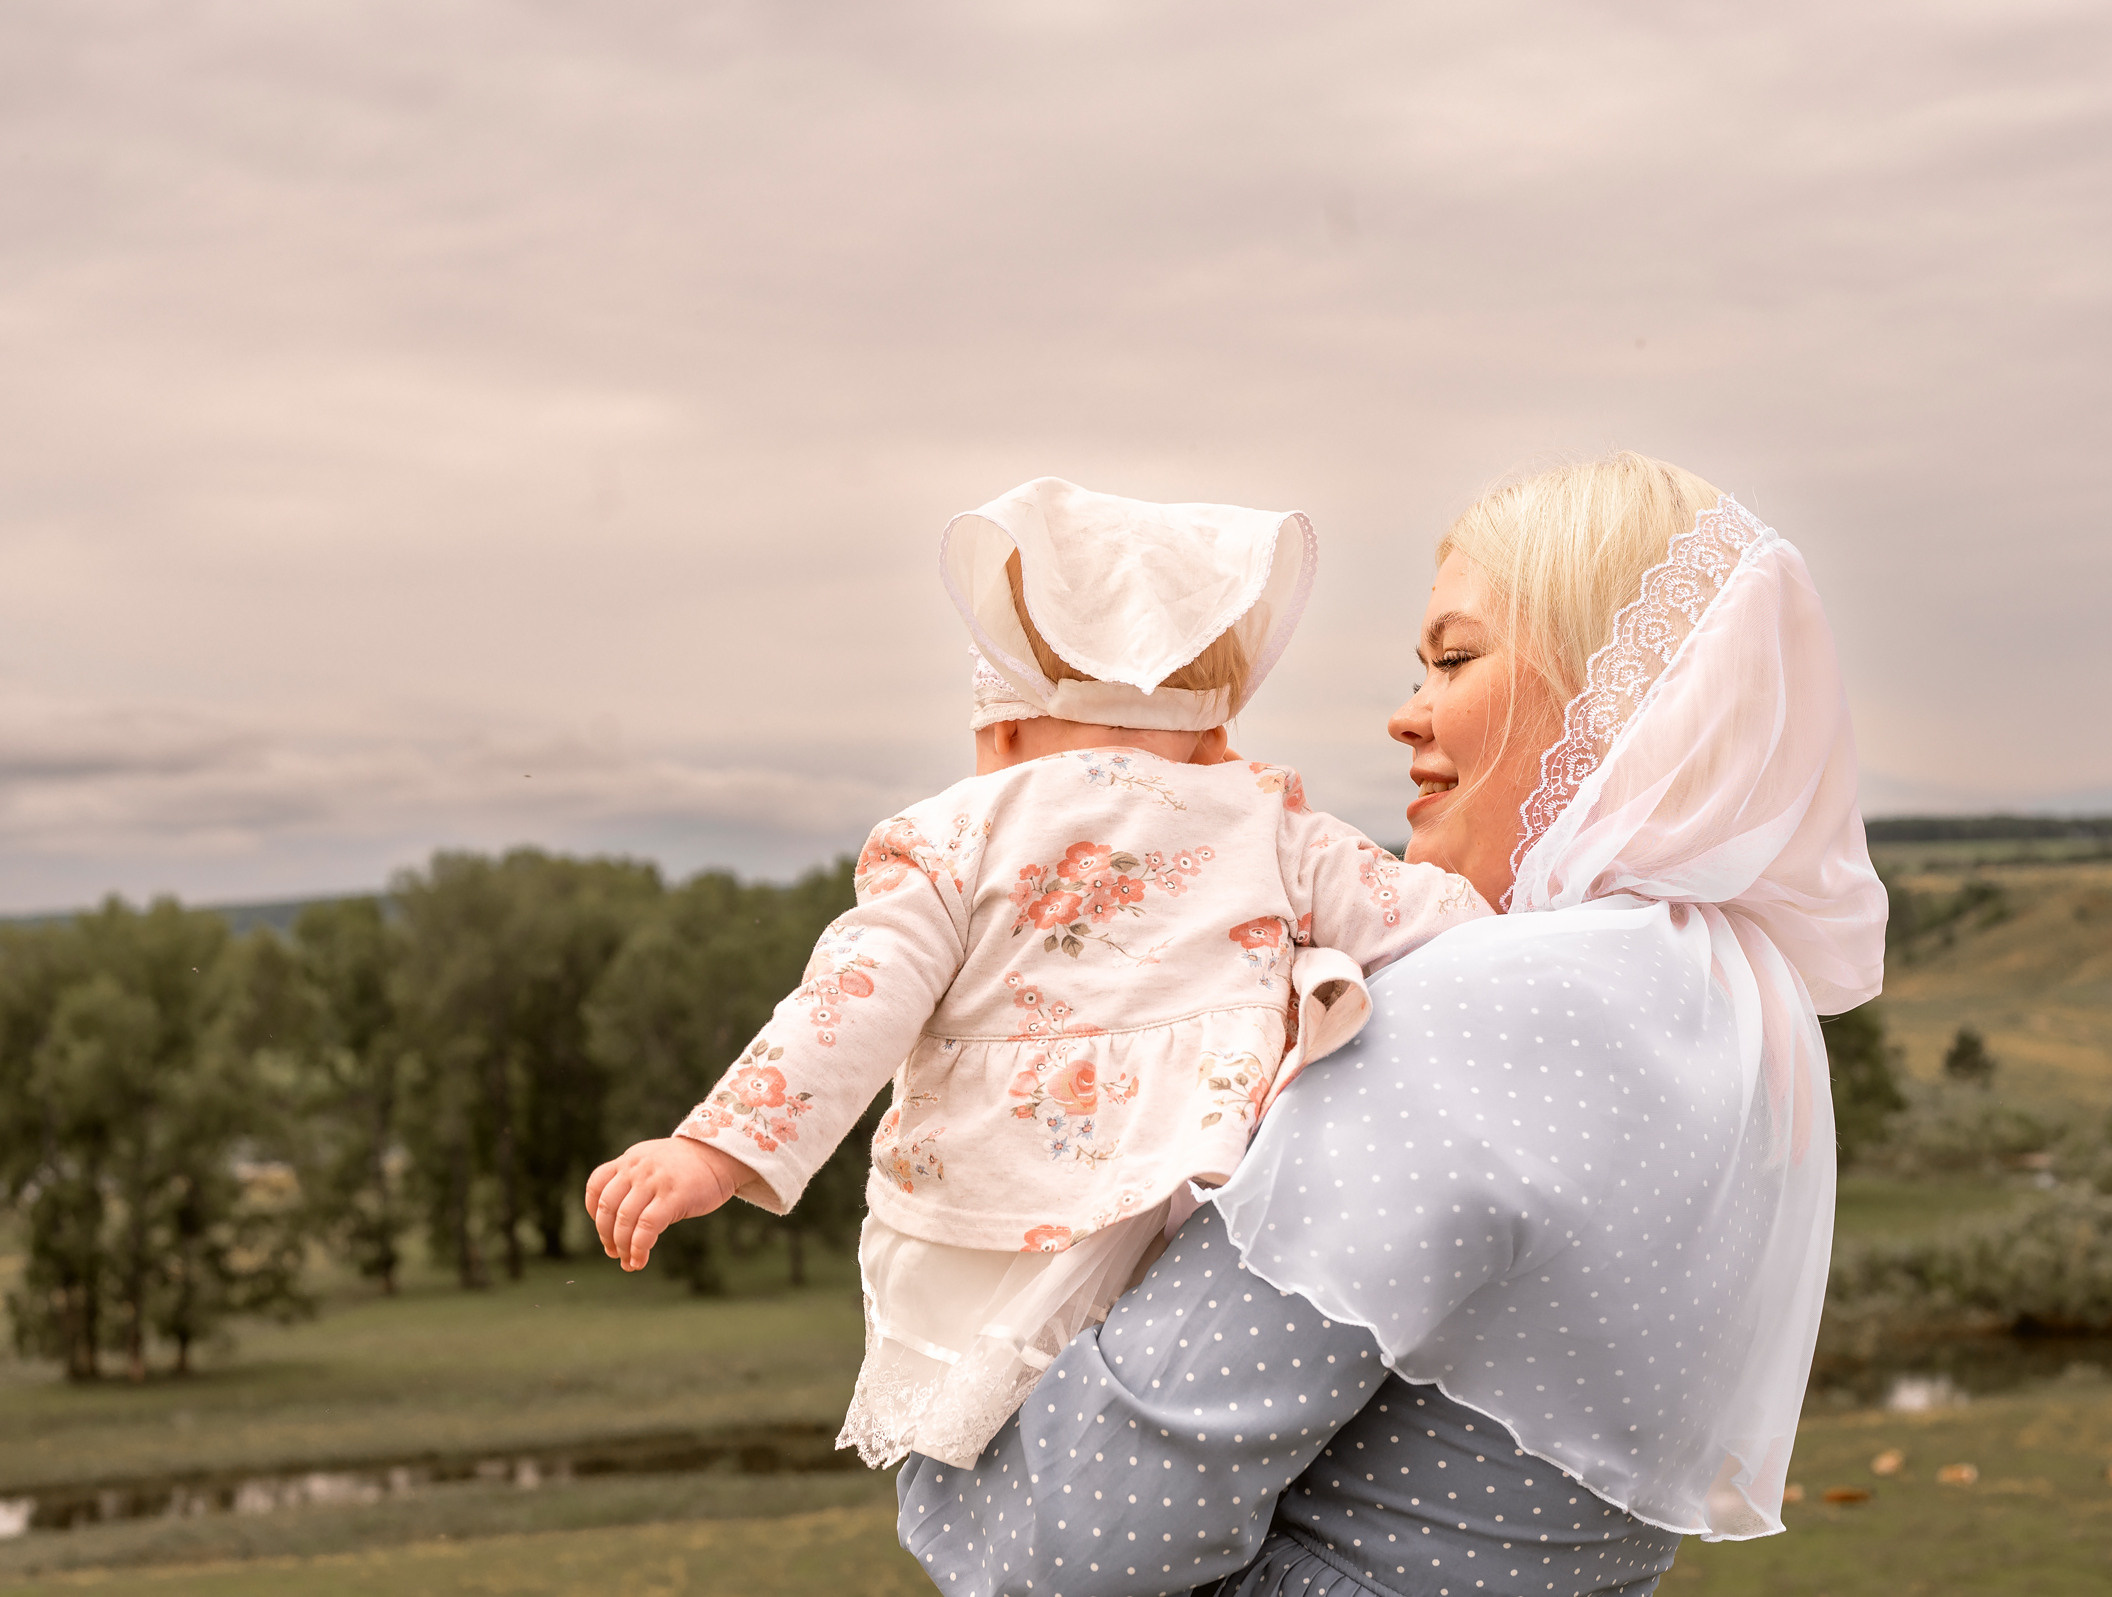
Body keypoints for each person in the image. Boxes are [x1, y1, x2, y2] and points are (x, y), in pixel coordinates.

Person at [898, 452, 1888, 1595]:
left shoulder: (1490, 1008)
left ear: (1625, 697)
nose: (1405, 713)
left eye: (1456, 658)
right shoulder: (1733, 1012)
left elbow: (1085, 1527)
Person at [587, 477, 1490, 1471]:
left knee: (1011, 1470)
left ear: (1002, 732)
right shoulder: (1267, 821)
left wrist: (714, 1152)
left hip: (996, 1206)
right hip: (1203, 1193)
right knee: (1195, 1451)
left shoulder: (953, 833)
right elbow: (1446, 923)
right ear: (1218, 735)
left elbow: (850, 1003)